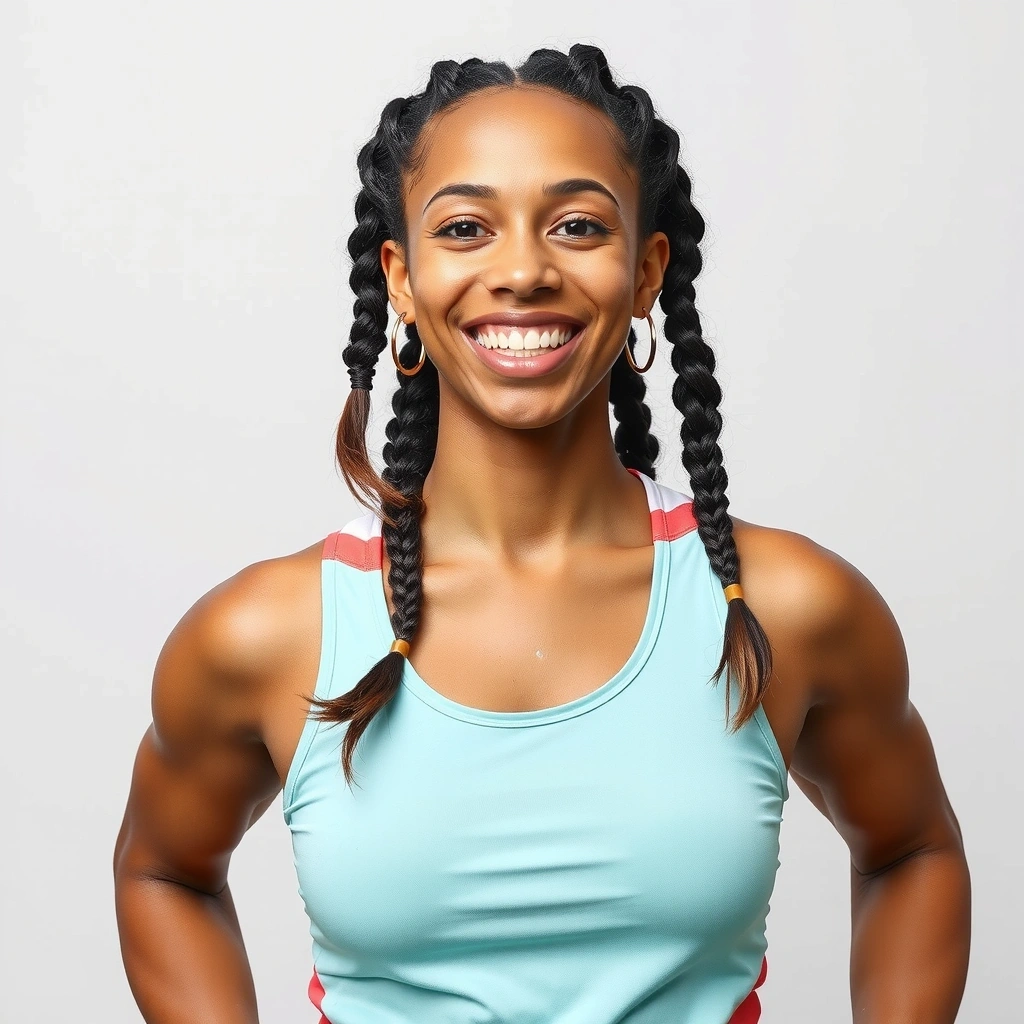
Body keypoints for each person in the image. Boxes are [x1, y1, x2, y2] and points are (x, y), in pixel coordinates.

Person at [113, 44, 970, 1024]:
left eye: (575, 224)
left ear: (647, 270)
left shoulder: (783, 606)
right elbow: (162, 872)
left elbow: (913, 851)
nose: (521, 270)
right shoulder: (269, 633)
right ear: (402, 276)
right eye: (466, 227)